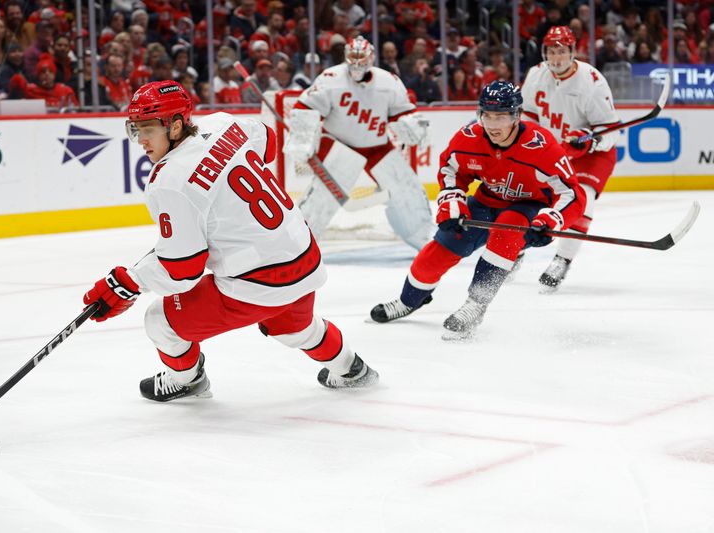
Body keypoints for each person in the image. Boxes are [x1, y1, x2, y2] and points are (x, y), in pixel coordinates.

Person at [82, 80, 379, 402]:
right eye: (135, 129)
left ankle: (187, 380)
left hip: (259, 281)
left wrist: (129, 283)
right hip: (304, 256)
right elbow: (268, 142)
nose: (140, 140)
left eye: (148, 129)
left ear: (176, 124)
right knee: (295, 328)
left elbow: (182, 270)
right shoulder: (225, 122)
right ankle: (351, 369)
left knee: (160, 322)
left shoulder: (168, 181)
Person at [369, 81, 586, 338]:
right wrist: (452, 203)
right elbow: (451, 170)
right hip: (485, 202)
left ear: (516, 115)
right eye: (488, 115)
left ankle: (476, 305)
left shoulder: (542, 146)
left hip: (526, 208)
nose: (493, 125)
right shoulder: (469, 137)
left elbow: (572, 193)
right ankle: (409, 300)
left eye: (501, 116)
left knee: (506, 232)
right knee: (439, 250)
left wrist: (552, 220)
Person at [285, 36, 435, 250]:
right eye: (352, 58)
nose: (356, 64)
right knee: (322, 198)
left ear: (371, 58)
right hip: (340, 143)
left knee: (406, 189)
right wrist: (301, 140)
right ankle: (297, 245)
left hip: (377, 146)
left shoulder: (388, 82)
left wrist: (411, 126)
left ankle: (423, 238)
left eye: (361, 58)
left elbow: (403, 112)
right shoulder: (330, 78)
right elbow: (305, 108)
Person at [520, 25, 619, 291]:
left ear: (572, 52)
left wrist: (591, 138)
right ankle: (517, 246)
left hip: (590, 156)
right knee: (524, 196)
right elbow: (528, 115)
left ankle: (562, 260)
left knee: (581, 201)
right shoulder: (535, 75)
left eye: (561, 51)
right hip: (552, 152)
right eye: (551, 51)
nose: (556, 58)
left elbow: (612, 131)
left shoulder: (592, 81)